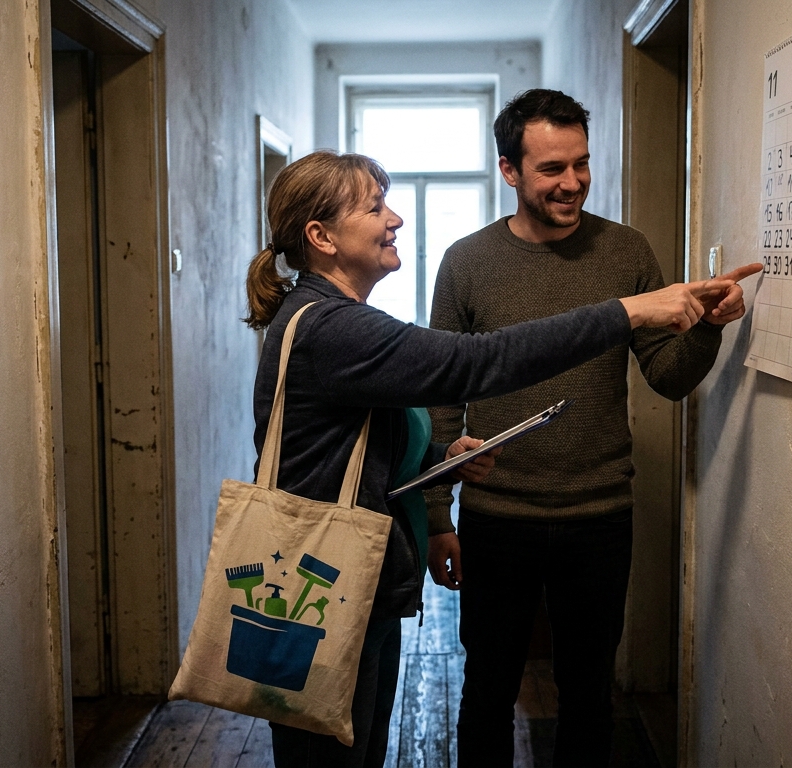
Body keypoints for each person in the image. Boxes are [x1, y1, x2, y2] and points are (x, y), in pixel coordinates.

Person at [245, 149, 753, 768]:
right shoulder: (333, 327)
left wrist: (438, 455)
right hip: (320, 595)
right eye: (375, 207)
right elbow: (476, 364)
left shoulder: (335, 318)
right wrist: (633, 310)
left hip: (344, 590)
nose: (395, 218)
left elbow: (360, 442)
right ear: (320, 237)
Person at [424, 89, 761, 766]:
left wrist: (709, 329)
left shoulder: (627, 252)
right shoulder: (466, 262)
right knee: (486, 689)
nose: (572, 181)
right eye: (552, 168)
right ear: (510, 170)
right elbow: (443, 398)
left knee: (588, 694)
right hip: (497, 518)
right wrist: (439, 517)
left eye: (581, 163)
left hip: (598, 515)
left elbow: (666, 376)